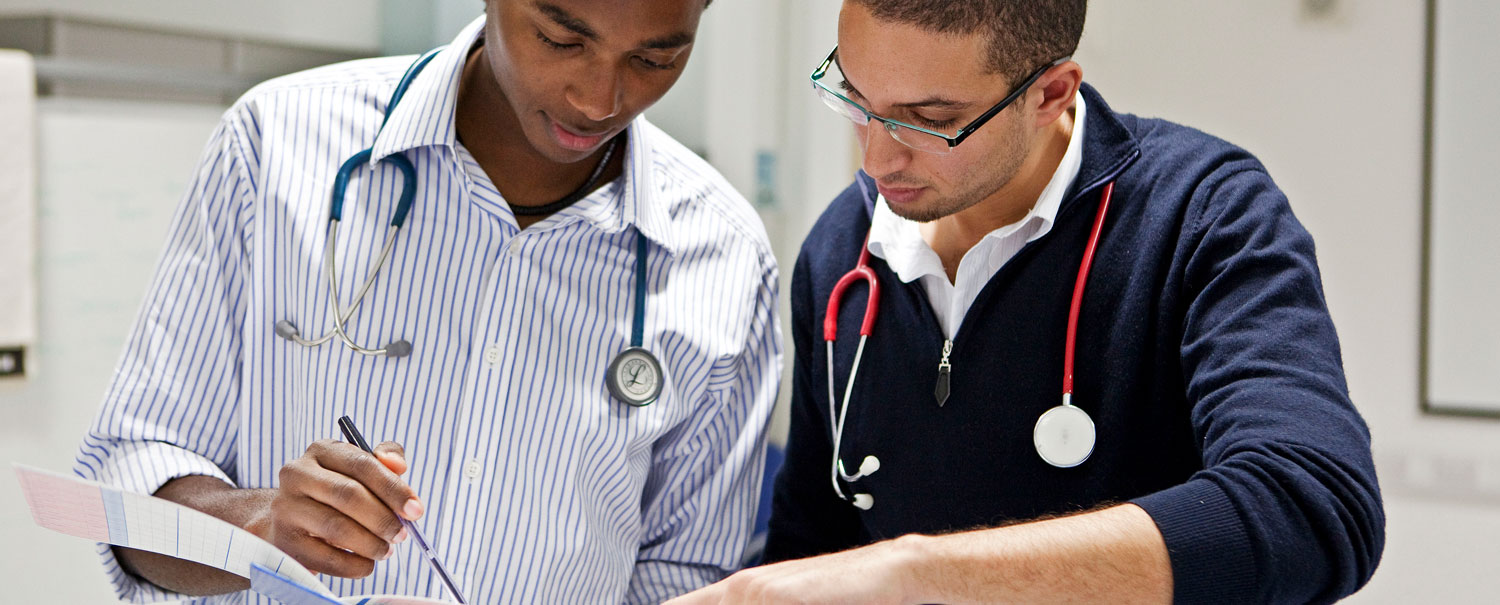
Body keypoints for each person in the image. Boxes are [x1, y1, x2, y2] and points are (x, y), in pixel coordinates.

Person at [669, 1, 1383, 604]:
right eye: (856, 99)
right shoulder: (842, 250)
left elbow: (1312, 505)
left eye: (928, 119)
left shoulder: (1203, 216)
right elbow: (812, 544)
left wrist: (923, 573)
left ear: (1050, 93)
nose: (877, 159)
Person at [73, 1, 782, 603]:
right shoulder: (276, 146)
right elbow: (124, 493)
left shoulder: (726, 257)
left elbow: (688, 577)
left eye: (655, 60)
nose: (598, 100)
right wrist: (258, 525)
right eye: (563, 40)